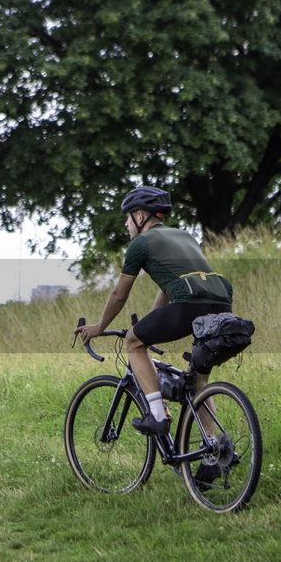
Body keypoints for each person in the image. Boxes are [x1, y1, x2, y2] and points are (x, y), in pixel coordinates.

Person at [75, 185, 233, 437]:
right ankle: (213, 451)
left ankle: (157, 416)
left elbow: (119, 294)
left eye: (127, 217)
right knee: (197, 384)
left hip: (189, 307)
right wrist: (152, 318)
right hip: (223, 307)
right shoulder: (184, 236)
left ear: (139, 216)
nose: (126, 224)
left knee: (134, 342)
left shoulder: (140, 244)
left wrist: (99, 327)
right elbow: (173, 282)